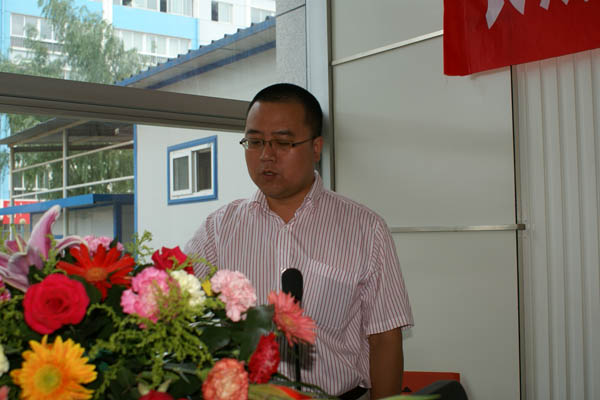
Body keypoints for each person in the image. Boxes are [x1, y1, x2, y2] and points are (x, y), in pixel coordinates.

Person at [185, 83, 413, 400]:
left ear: (316, 148)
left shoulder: (365, 228)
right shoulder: (218, 230)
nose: (266, 155)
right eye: (254, 142)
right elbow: (180, 312)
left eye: (282, 142)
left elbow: (385, 337)